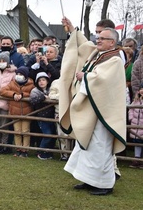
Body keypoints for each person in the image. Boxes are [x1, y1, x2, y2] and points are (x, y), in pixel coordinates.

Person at [60, 17, 126, 195]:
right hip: (92, 109)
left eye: (102, 38)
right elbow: (84, 45)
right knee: (87, 146)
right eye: (98, 36)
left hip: (105, 112)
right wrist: (72, 30)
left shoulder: (115, 59)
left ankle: (104, 184)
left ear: (112, 42)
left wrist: (86, 76)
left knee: (100, 147)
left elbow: (103, 80)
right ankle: (89, 180)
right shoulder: (98, 54)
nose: (98, 40)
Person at [0, 66, 35, 157]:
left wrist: (23, 95)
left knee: (26, 131)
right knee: (17, 131)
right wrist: (13, 94)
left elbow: (33, 94)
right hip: (15, 112)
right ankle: (18, 149)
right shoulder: (12, 83)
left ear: (25, 76)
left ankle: (25, 150)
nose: (18, 76)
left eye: (21, 74)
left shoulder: (31, 84)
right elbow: (2, 91)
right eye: (17, 74)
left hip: (27, 112)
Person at [29, 72, 56, 160]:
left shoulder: (51, 89)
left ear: (47, 81)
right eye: (40, 80)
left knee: (53, 134)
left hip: (51, 116)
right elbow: (32, 101)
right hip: (41, 116)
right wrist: (43, 98)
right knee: (47, 134)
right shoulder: (35, 91)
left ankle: (48, 152)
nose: (42, 82)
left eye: (43, 80)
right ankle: (40, 152)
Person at [48, 79, 74, 162]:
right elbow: (51, 96)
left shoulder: (75, 81)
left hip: (73, 112)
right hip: (59, 112)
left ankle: (72, 155)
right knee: (61, 134)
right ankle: (64, 154)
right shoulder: (56, 82)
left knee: (72, 135)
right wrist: (64, 96)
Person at [128, 83, 143, 168]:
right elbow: (131, 109)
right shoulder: (136, 101)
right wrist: (131, 118)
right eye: (141, 88)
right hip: (136, 125)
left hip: (141, 126)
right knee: (137, 142)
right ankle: (136, 159)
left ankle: (141, 160)